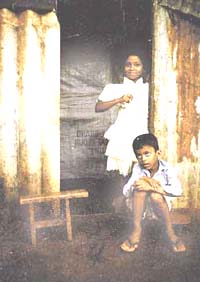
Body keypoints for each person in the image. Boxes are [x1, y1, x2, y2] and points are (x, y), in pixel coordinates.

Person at [120, 133, 186, 253]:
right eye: (139, 155)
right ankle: (136, 229)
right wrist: (144, 180)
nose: (143, 159)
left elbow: (178, 191)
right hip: (140, 209)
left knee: (155, 195)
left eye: (147, 154)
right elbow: (126, 191)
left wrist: (154, 186)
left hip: (161, 208)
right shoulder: (137, 168)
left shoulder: (167, 168)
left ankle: (170, 231)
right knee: (140, 189)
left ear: (158, 153)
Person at [95, 51, 149, 177]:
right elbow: (98, 107)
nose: (132, 68)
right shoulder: (114, 88)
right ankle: (123, 196)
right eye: (128, 65)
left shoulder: (149, 87)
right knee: (122, 170)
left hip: (143, 131)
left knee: (142, 170)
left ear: (143, 68)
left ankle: (135, 197)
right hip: (123, 132)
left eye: (137, 64)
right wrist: (119, 100)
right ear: (123, 67)